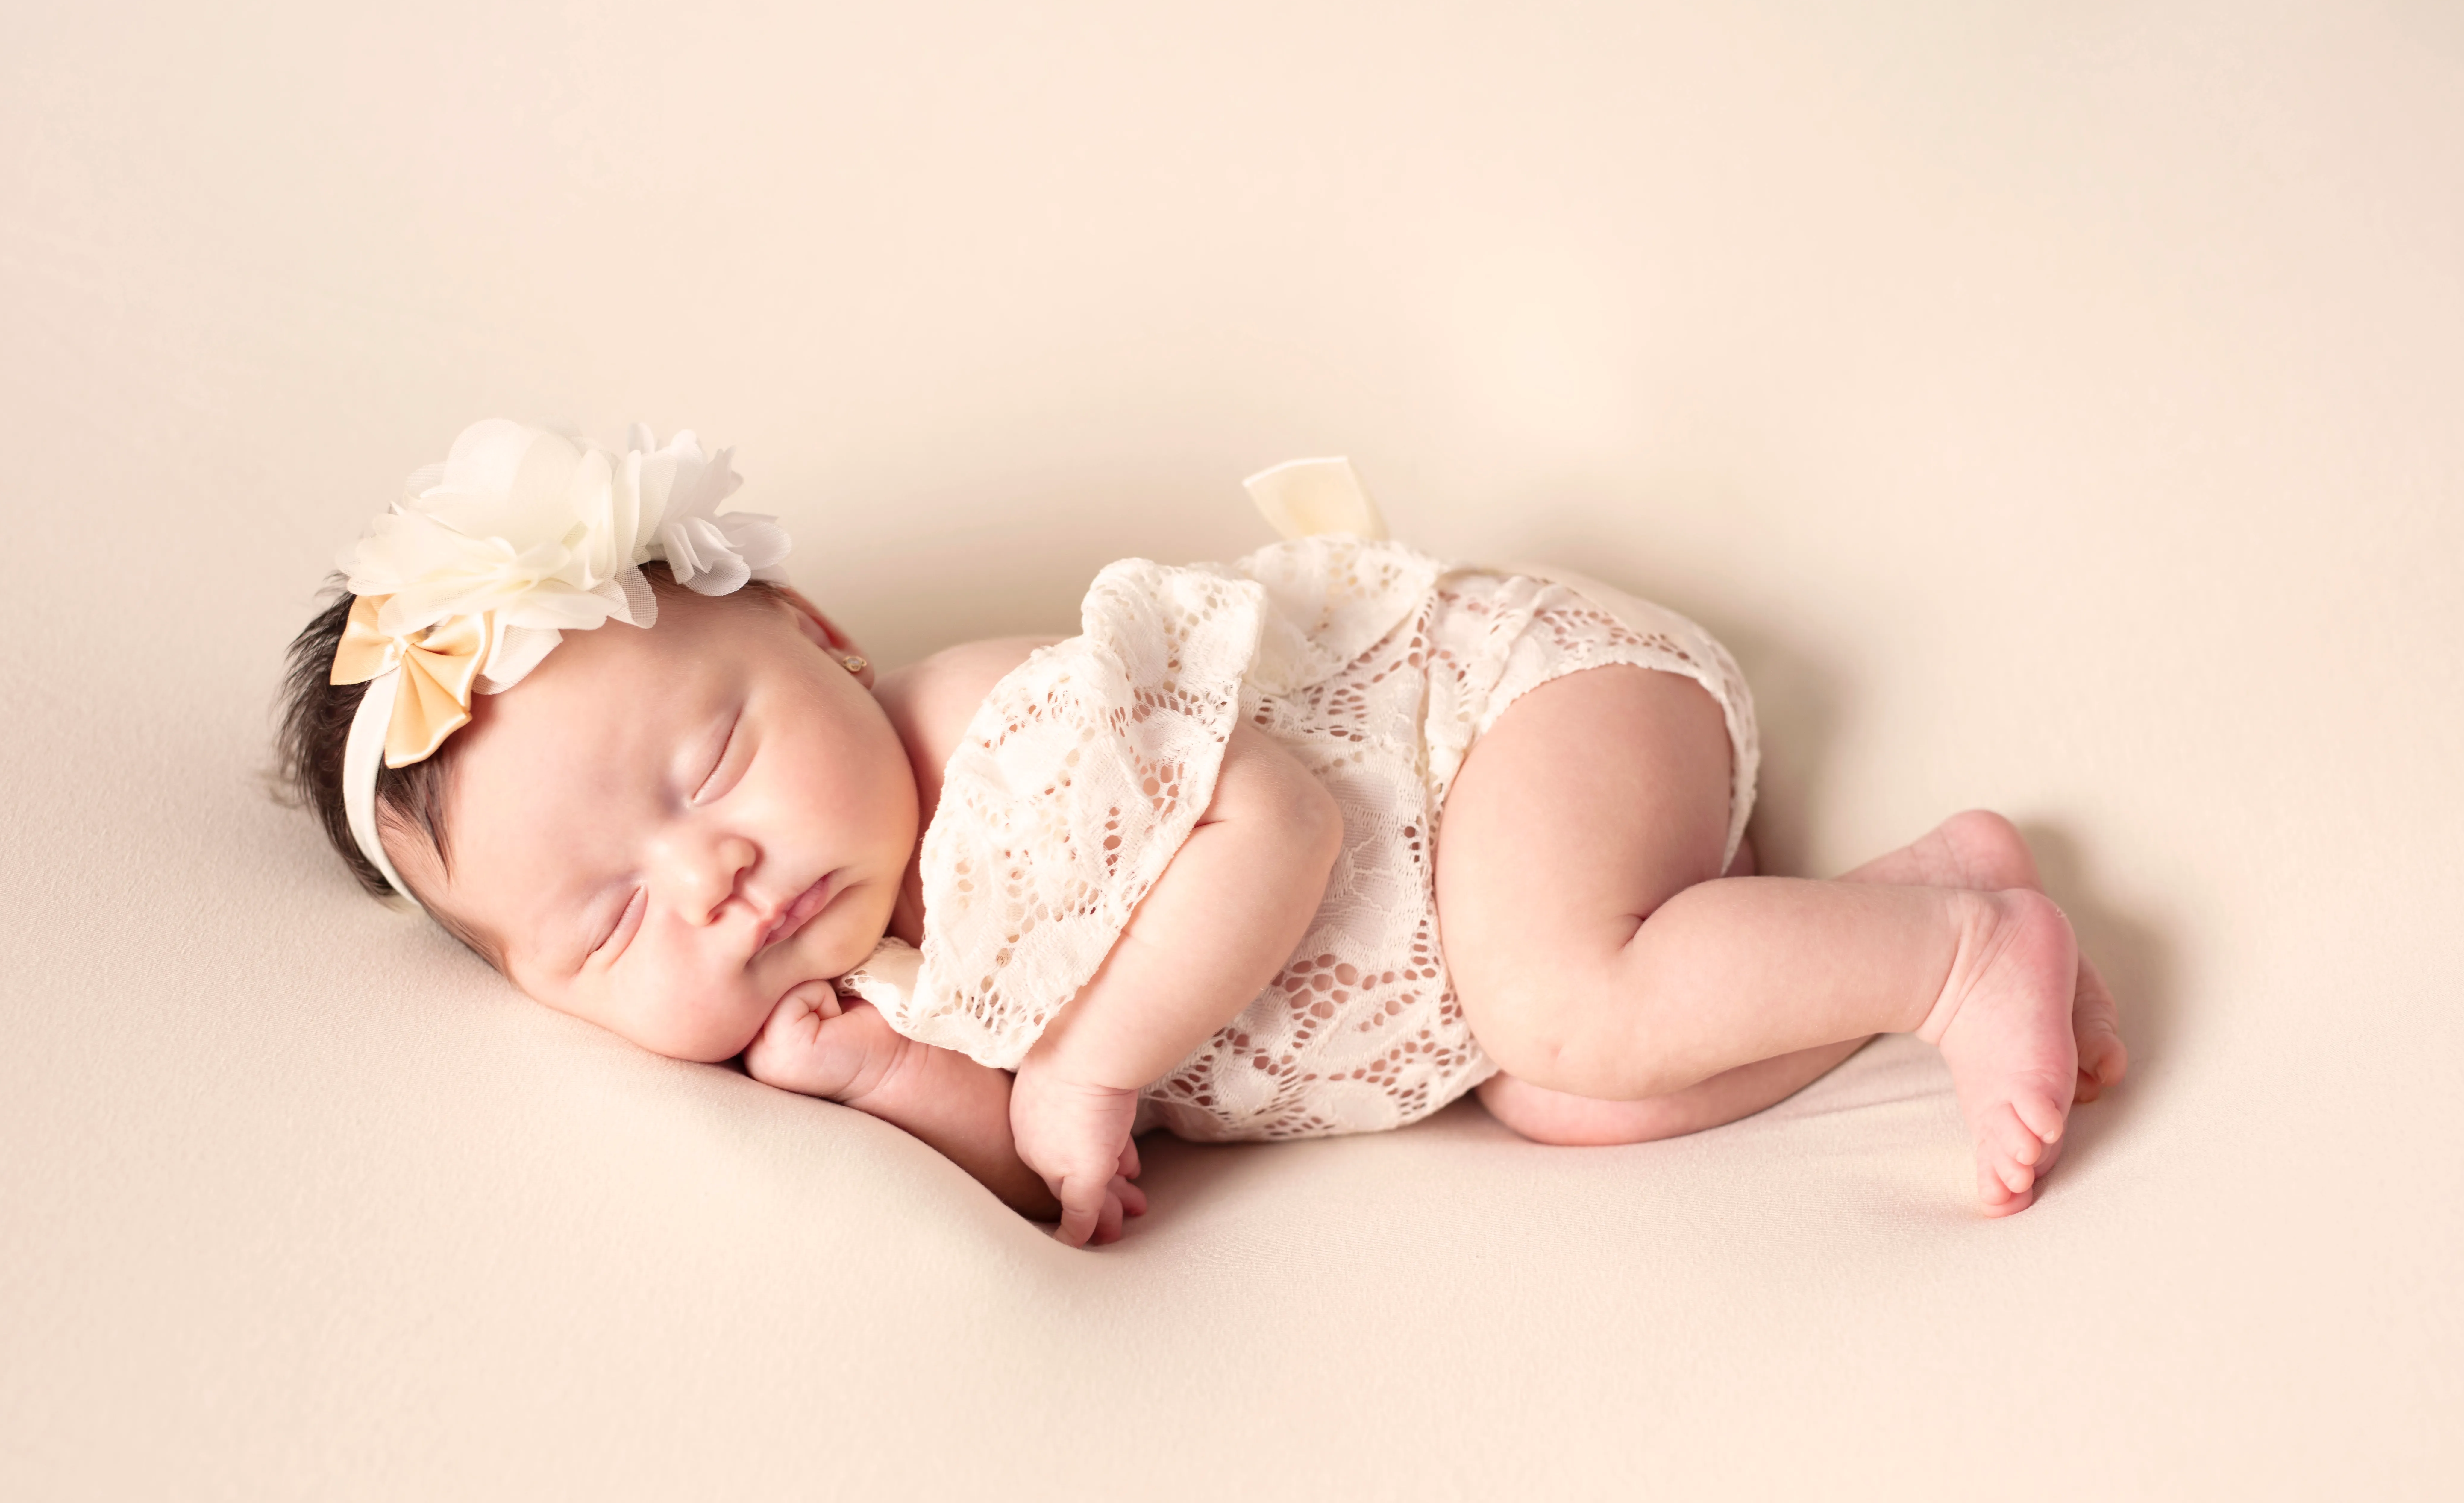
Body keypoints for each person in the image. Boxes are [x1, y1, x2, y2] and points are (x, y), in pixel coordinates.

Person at [278, 420, 2125, 1245]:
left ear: (825, 642)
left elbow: (1279, 826)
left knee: (1559, 1006)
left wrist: (1086, 1074)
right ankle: (1903, 908)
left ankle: (1967, 961)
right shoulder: (857, 987)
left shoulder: (1003, 731)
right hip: (1471, 967)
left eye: (711, 769)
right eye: (609, 924)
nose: (713, 877)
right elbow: (1030, 1160)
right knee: (1573, 1089)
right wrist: (888, 1093)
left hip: (1505, 718)